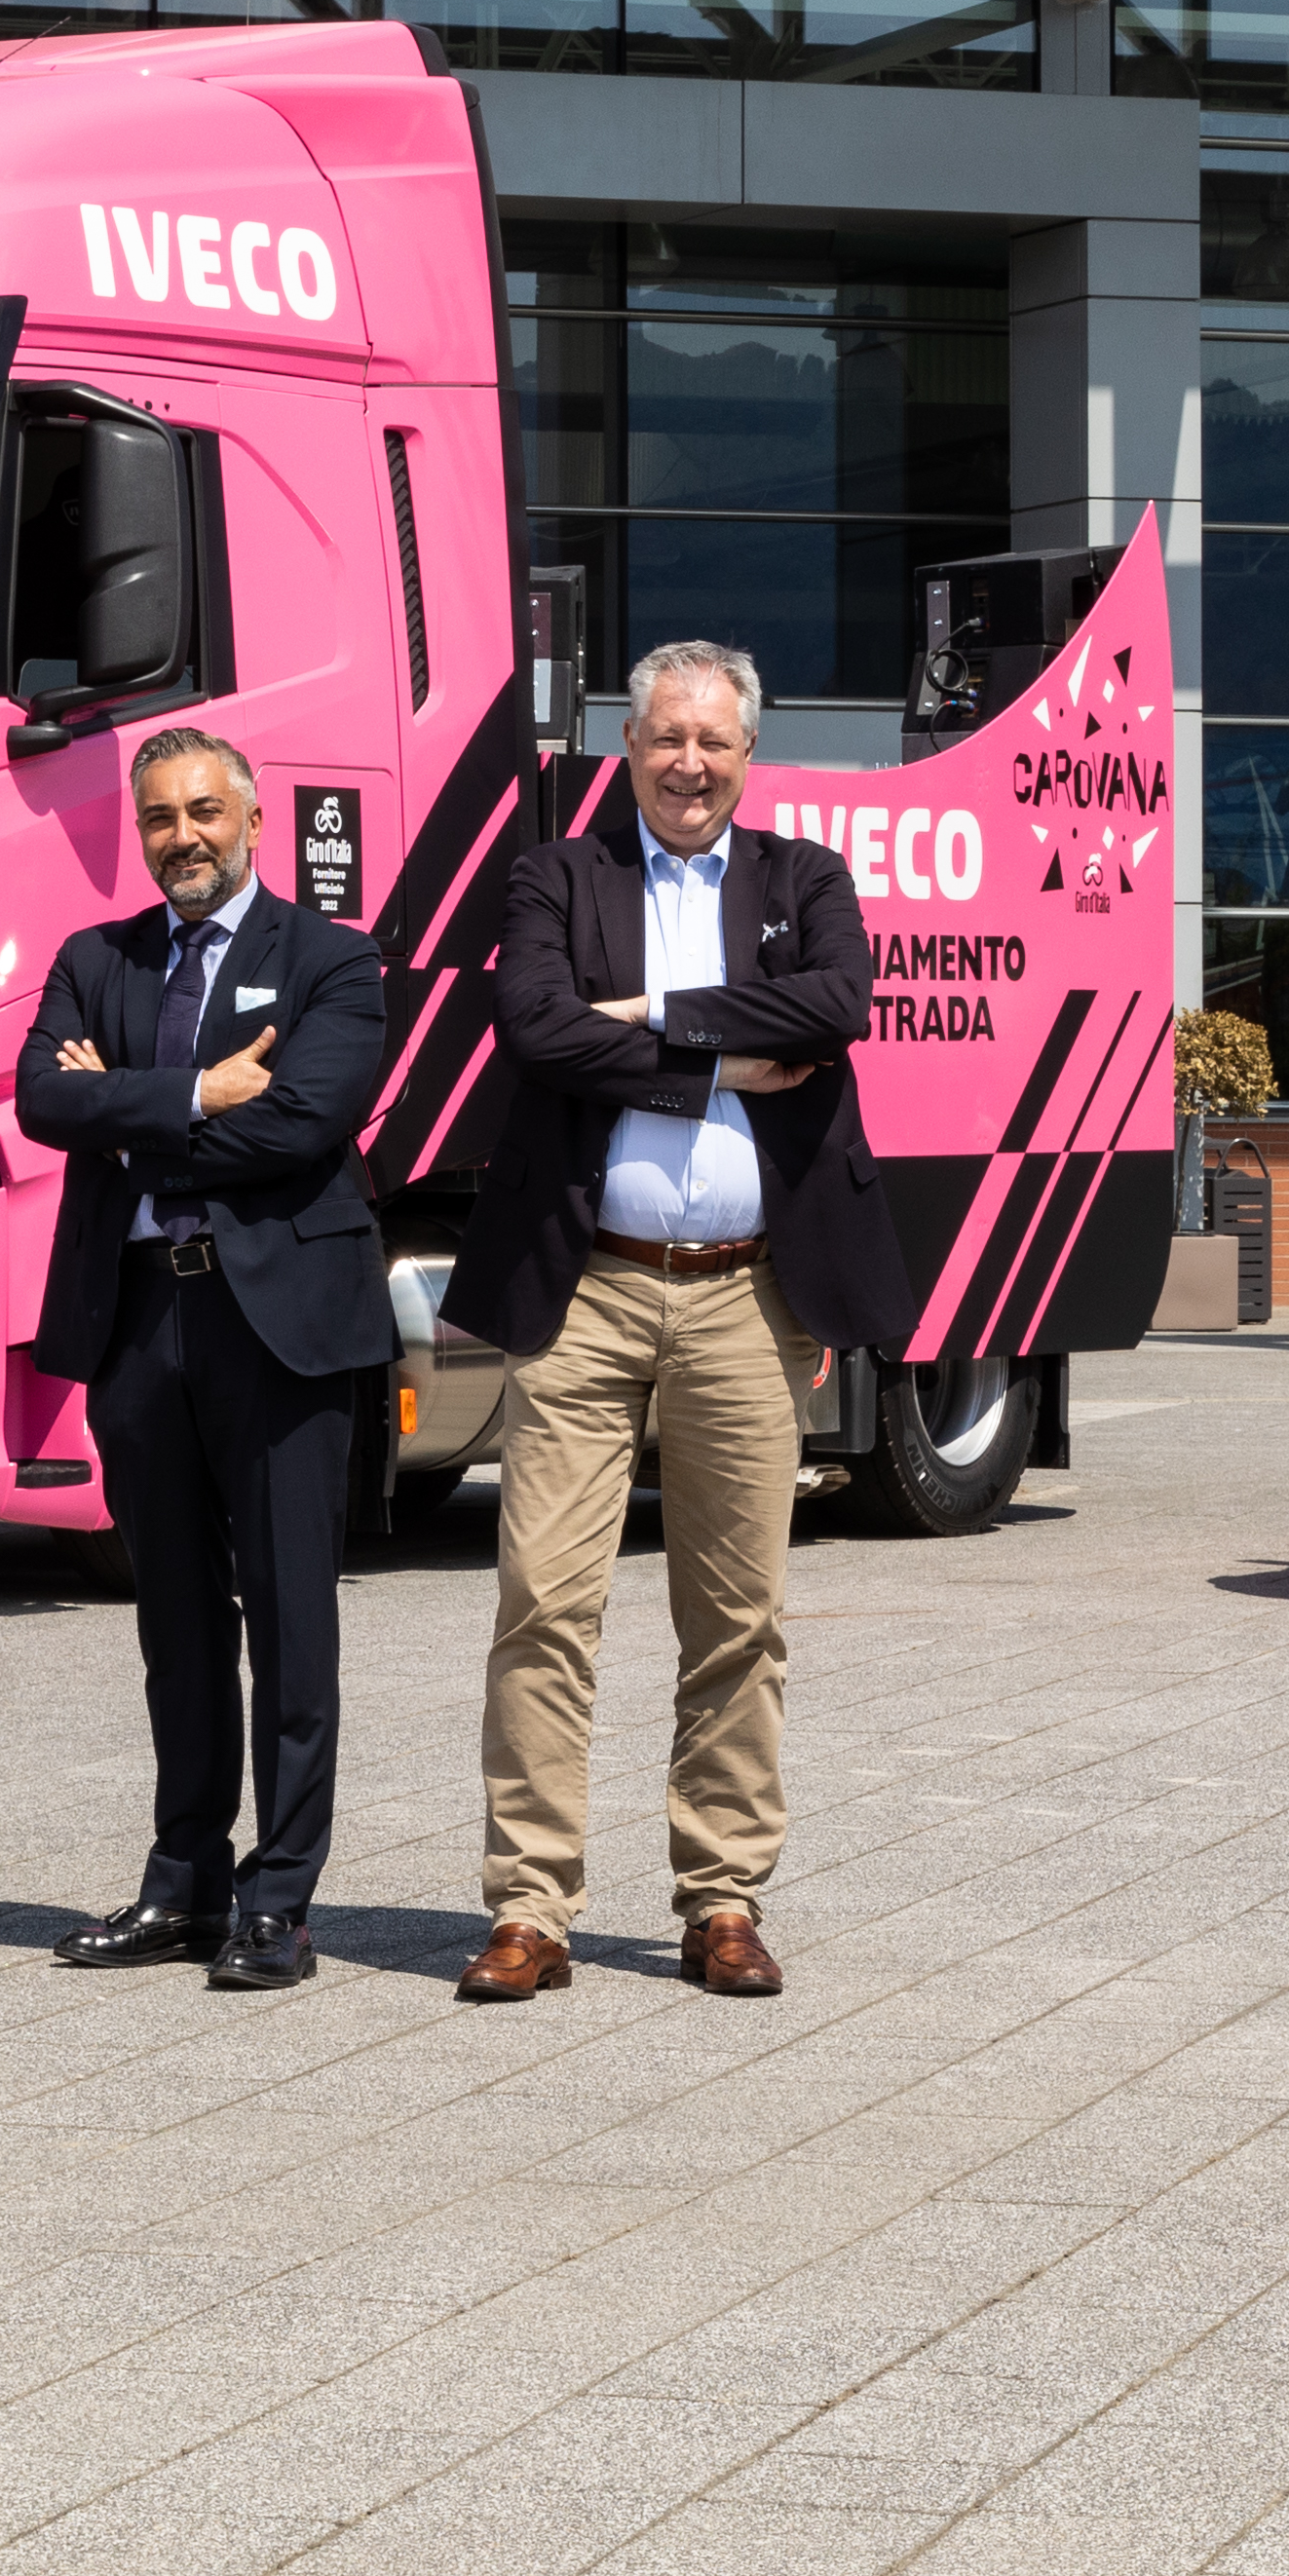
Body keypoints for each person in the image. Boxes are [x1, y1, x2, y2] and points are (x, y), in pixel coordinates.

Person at [445, 639, 906, 2005]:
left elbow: (835, 1005)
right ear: (625, 749)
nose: (689, 763)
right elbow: (532, 1027)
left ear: (745, 754)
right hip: (586, 1286)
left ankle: (721, 1899)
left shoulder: (804, 880)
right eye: (663, 739)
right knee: (544, 1603)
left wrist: (642, 1018)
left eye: (713, 741)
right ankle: (531, 1909)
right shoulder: (558, 875)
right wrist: (715, 1054)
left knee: (739, 1617)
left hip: (748, 1294)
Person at [16, 726, 393, 1995]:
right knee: (175, 1624)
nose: (183, 836)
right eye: (160, 818)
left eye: (203, 813)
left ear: (252, 819)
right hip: (141, 1324)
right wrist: (191, 1094)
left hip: (277, 1326)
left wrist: (126, 1104)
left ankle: (277, 1901)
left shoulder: (333, 962)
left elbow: (305, 1124)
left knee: (289, 1619)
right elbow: (39, 1100)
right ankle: (183, 1882)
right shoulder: (95, 958)